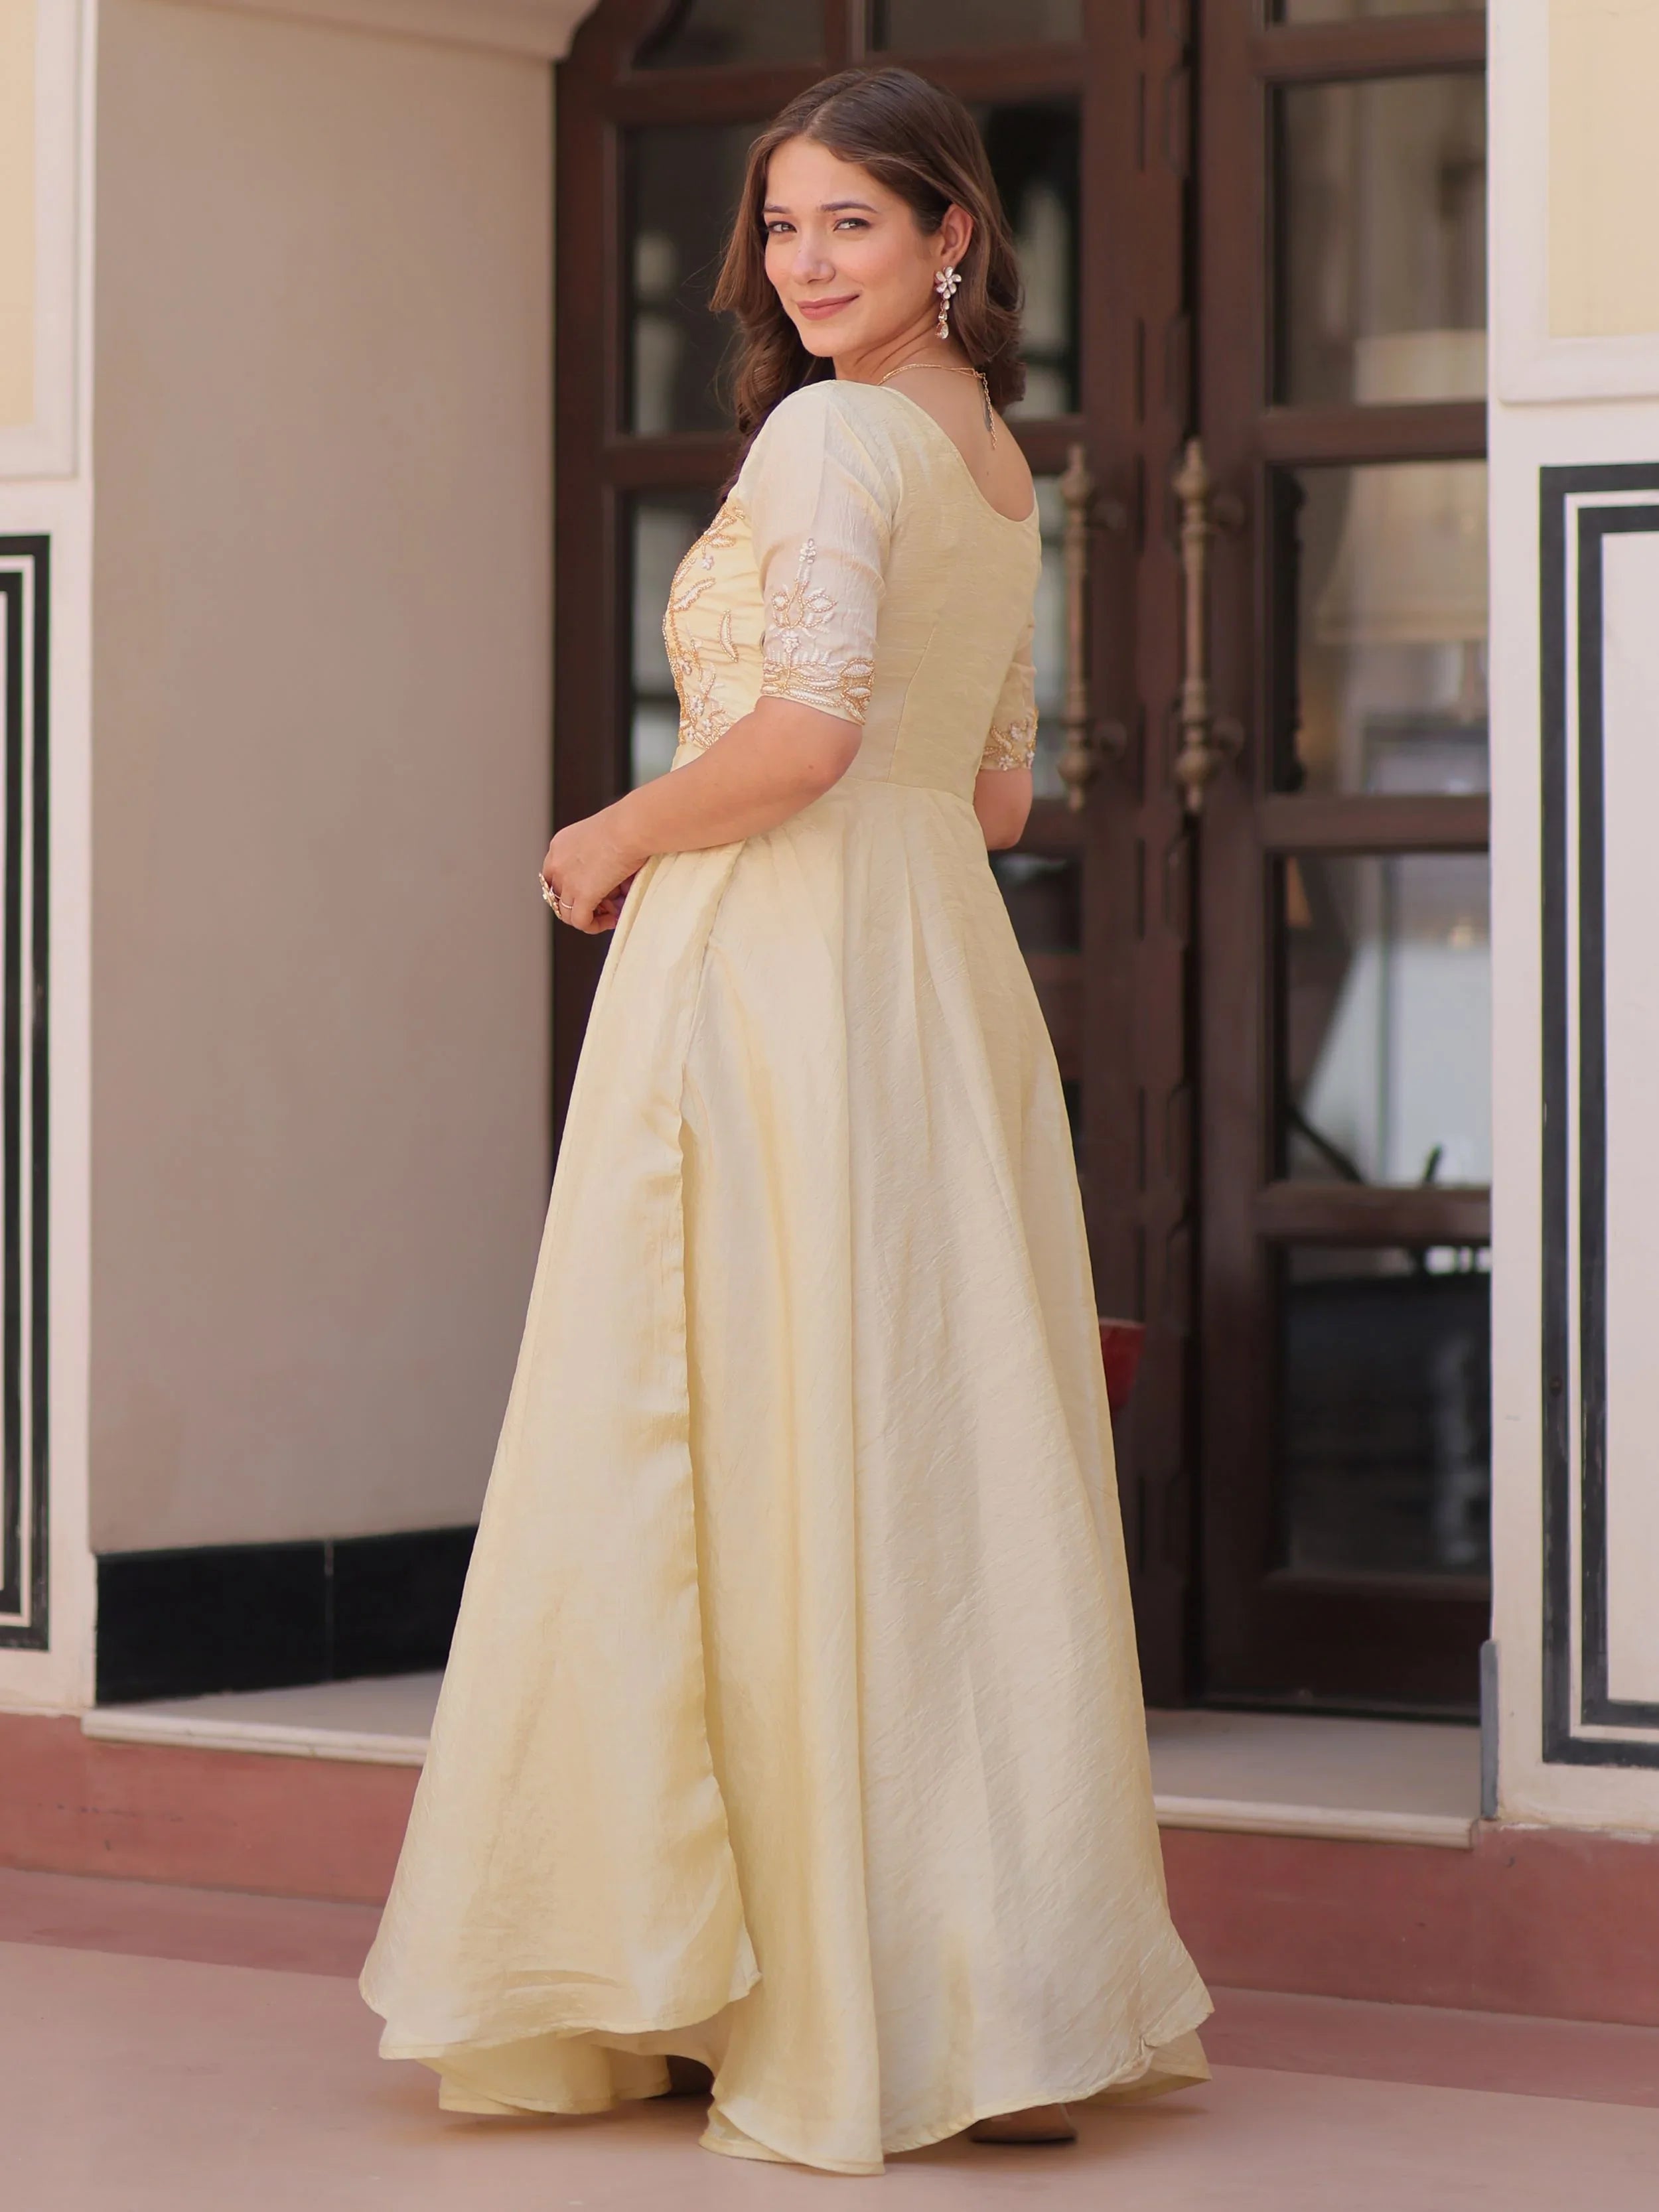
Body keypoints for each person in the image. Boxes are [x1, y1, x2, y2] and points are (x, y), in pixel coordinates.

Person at [360, 64, 1211, 2177]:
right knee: (913, 1458)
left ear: (954, 238)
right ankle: (948, 1985)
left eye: (852, 221)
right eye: (781, 224)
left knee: (735, 1435)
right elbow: (991, 788)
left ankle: (751, 1984)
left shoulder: (831, 436)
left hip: (775, 977)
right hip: (927, 981)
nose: (804, 262)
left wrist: (608, 832)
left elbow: (808, 735)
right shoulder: (993, 463)